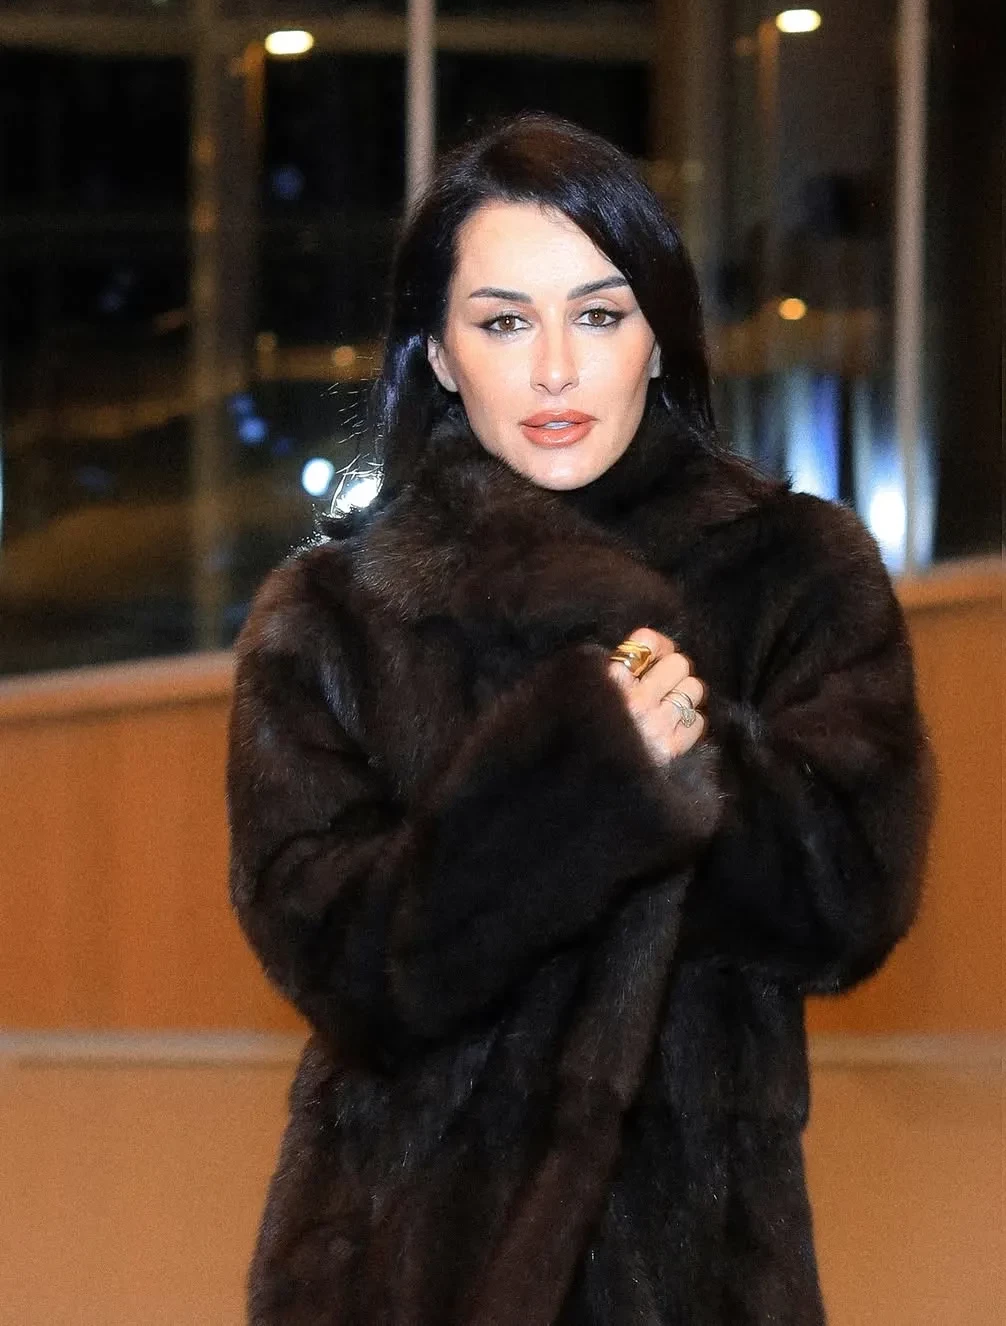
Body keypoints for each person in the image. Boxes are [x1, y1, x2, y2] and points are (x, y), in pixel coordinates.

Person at [226, 113, 936, 1326]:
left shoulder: (794, 569)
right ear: (440, 355)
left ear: (658, 337)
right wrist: (574, 781)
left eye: (599, 315)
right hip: (402, 1269)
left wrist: (696, 763)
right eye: (504, 322)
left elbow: (854, 896)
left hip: (699, 1273)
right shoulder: (333, 613)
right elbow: (341, 962)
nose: (555, 367)